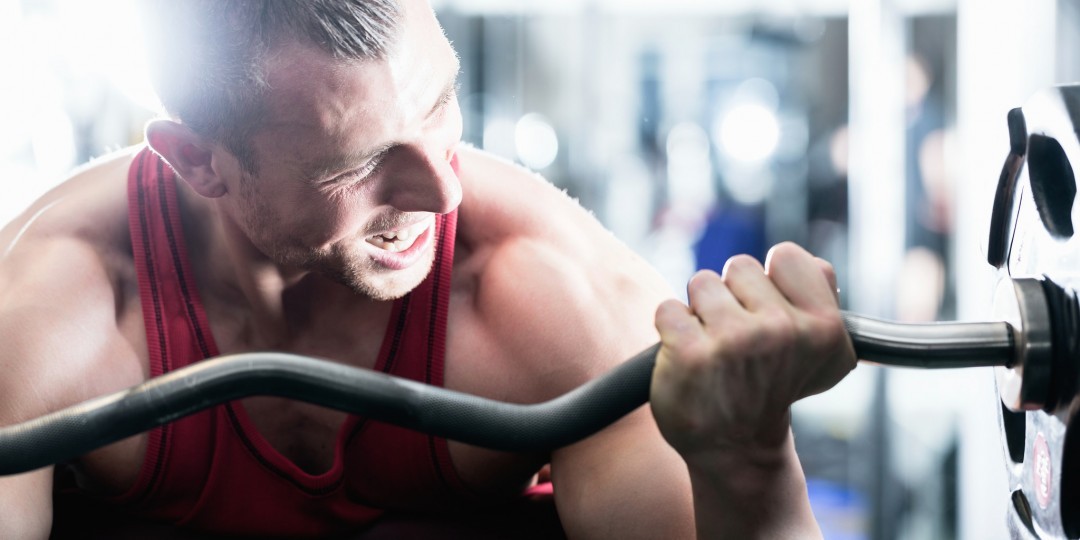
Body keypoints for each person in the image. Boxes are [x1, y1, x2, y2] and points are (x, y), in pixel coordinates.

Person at [0, 1, 856, 538]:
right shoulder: (50, 316)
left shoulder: (553, 300)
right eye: (358, 165)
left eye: (441, 102)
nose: (445, 188)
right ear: (201, 163)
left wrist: (751, 462)